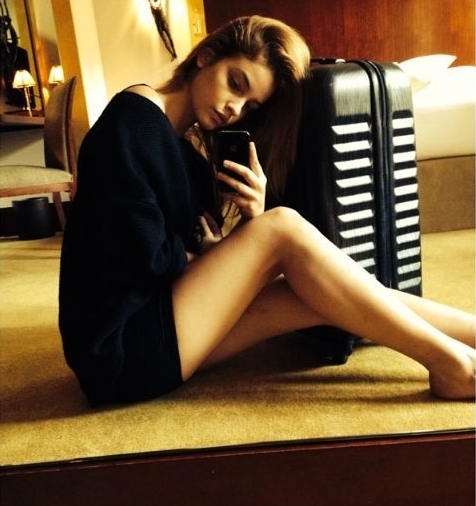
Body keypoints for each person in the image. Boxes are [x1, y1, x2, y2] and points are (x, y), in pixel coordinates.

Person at [59, 15, 475, 407]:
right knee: (283, 227)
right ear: (206, 56)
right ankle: (451, 365)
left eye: (250, 105)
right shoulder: (130, 125)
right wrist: (231, 248)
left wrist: (246, 220)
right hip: (119, 348)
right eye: (235, 83)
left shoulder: (182, 145)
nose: (234, 109)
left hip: (160, 325)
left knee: (315, 289)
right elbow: (141, 260)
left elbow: (189, 244)